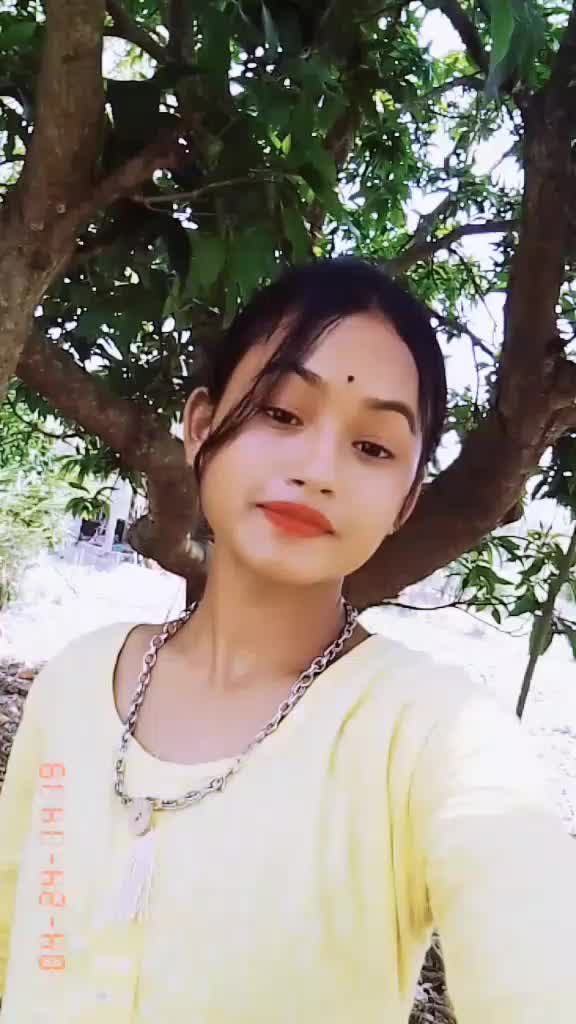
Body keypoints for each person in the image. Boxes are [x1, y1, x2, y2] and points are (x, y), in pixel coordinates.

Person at [0, 256, 574, 1023]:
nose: (318, 468)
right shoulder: (74, 683)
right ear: (201, 427)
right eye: (280, 413)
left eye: (373, 447)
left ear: (406, 501)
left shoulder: (438, 738)